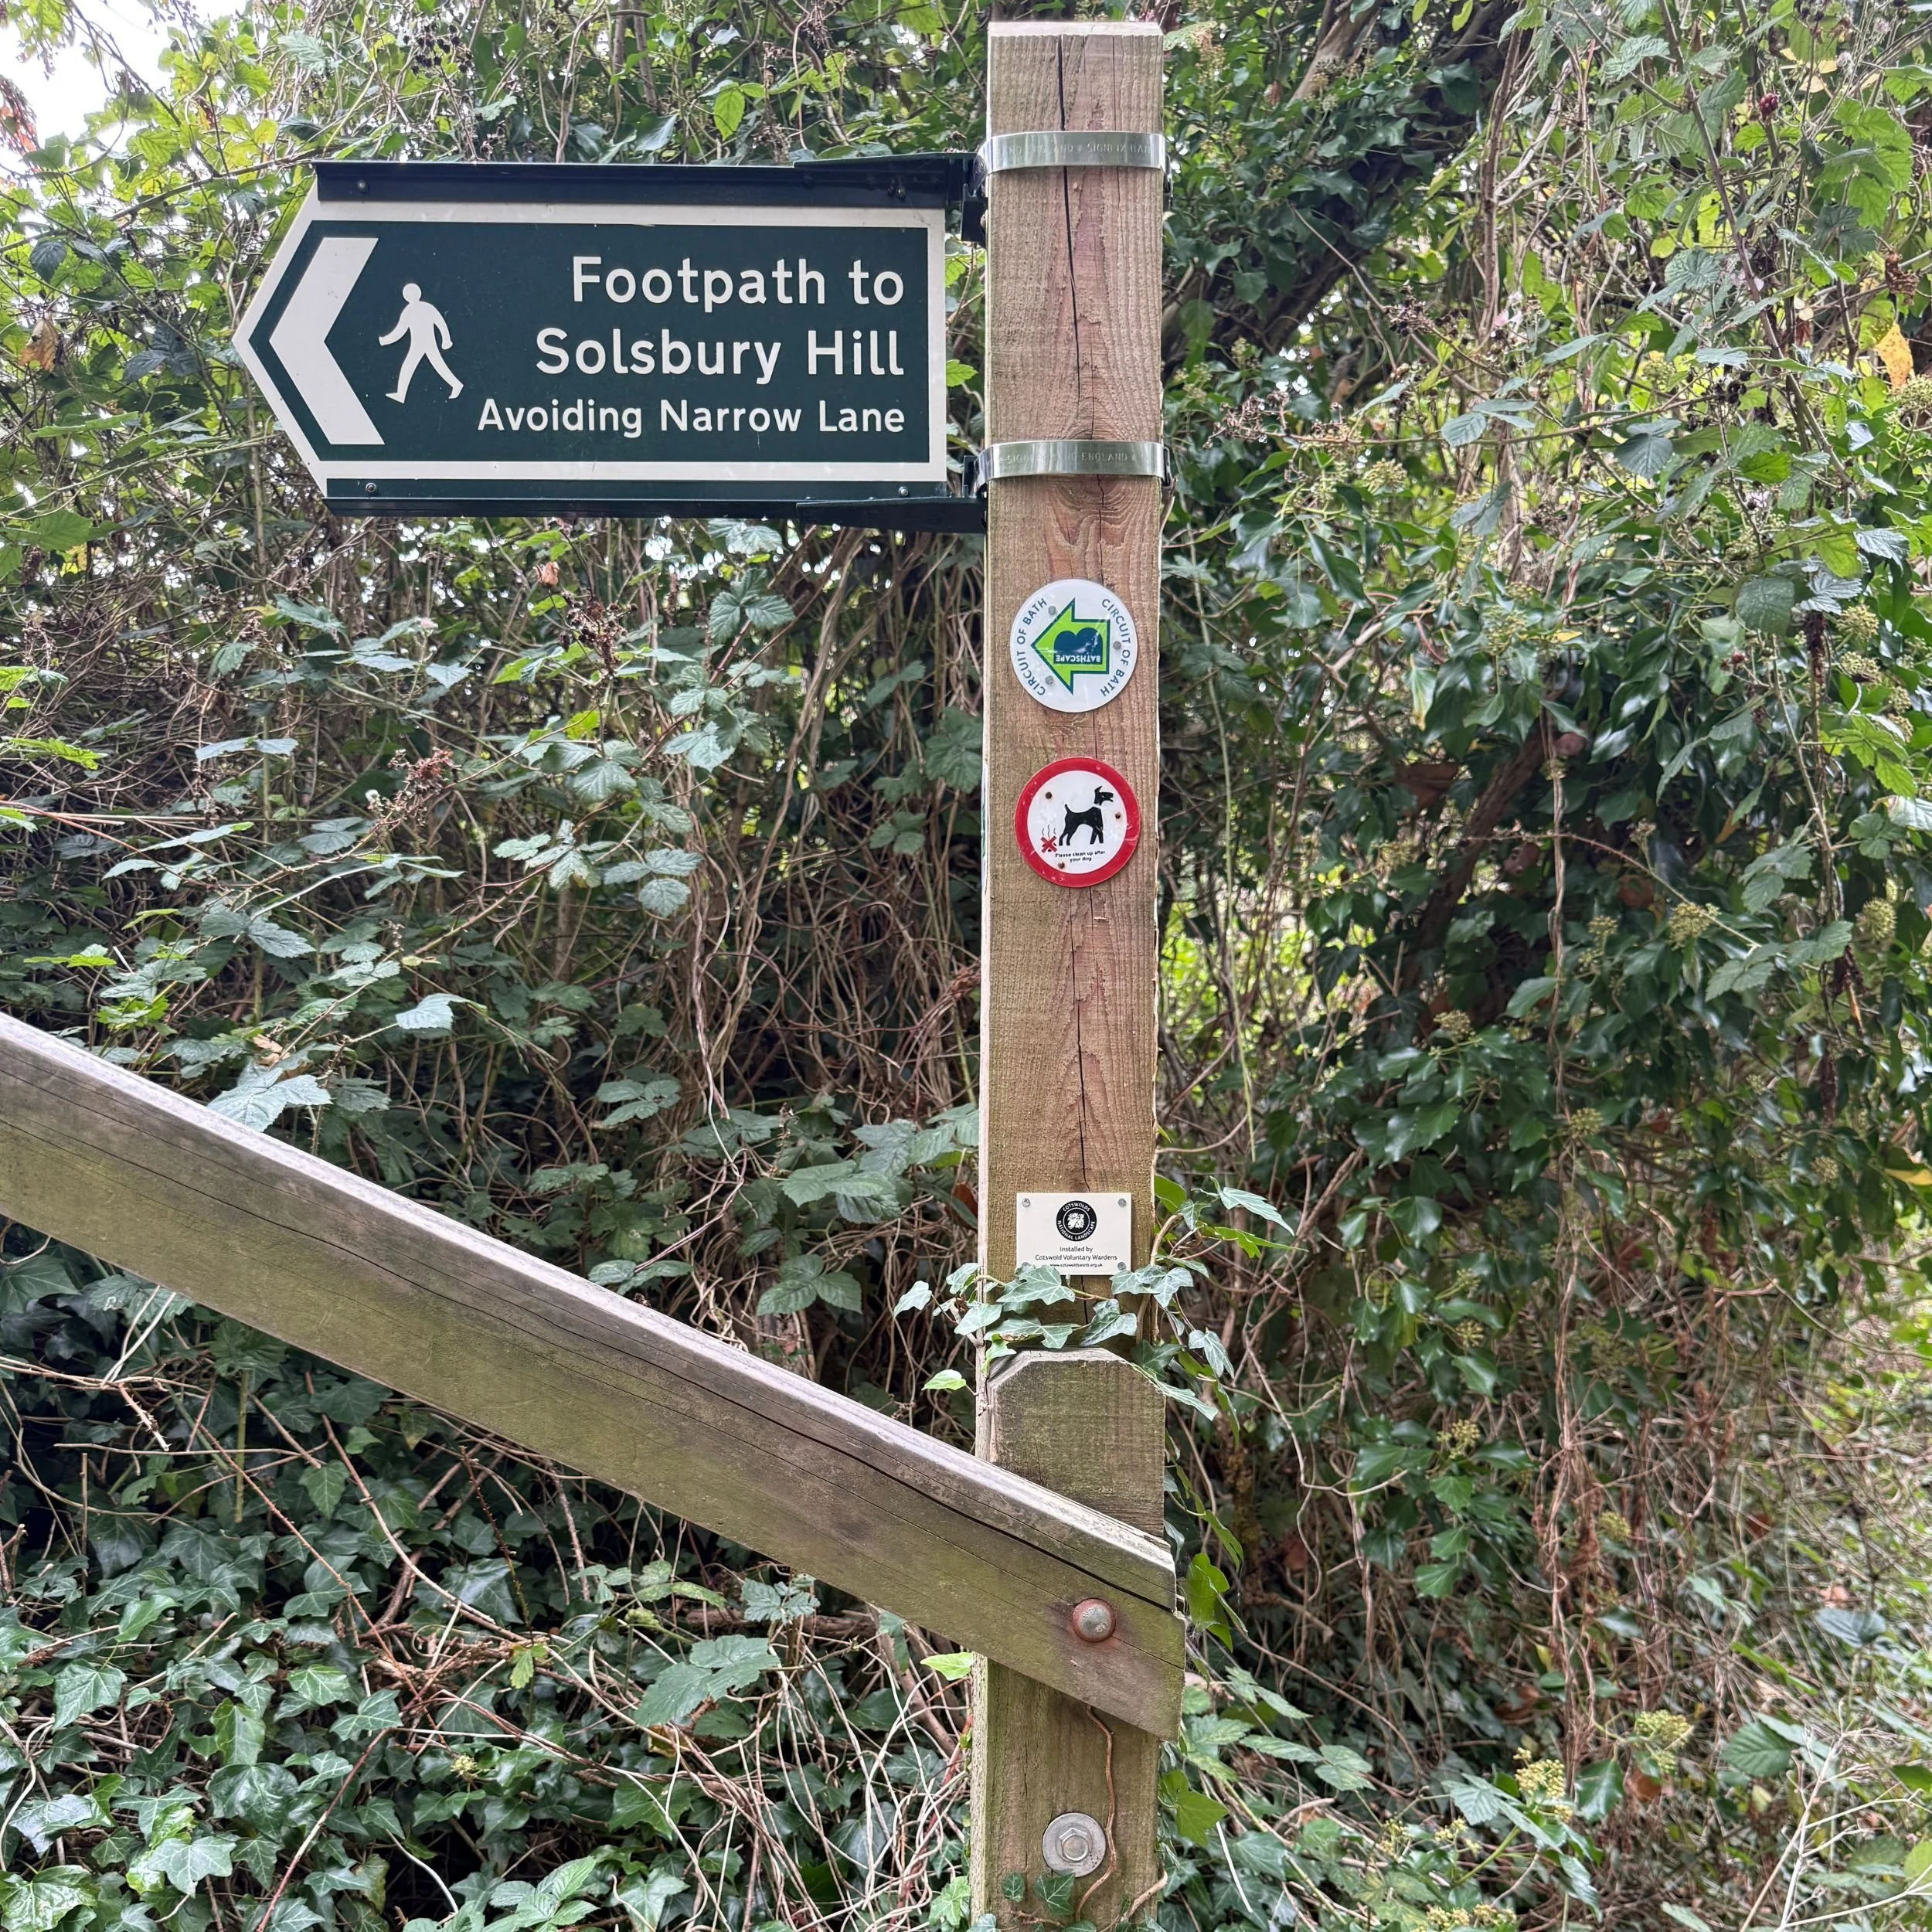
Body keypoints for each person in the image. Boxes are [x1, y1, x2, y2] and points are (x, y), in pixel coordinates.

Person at [379, 283, 461, 403]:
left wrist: (384, 341)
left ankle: (401, 394)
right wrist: (446, 339)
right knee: (429, 365)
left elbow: (400, 331)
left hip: (423, 344)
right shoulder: (423, 308)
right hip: (421, 344)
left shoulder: (414, 310)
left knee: (415, 366)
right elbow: (440, 323)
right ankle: (401, 394)